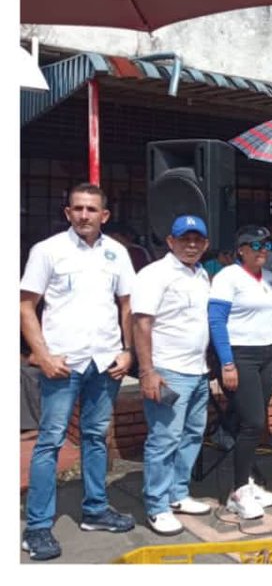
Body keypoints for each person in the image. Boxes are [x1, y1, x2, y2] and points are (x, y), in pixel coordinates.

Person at [19, 184, 136, 560]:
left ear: (105, 215)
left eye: (92, 210)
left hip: (104, 362)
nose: (84, 215)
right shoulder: (48, 251)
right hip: (63, 363)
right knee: (50, 442)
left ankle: (95, 509)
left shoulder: (117, 253)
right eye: (78, 209)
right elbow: (25, 307)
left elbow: (127, 305)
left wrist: (128, 350)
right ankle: (37, 527)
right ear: (67, 212)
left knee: (95, 437)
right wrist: (42, 354)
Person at [131, 214, 213, 536]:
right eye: (184, 239)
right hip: (168, 371)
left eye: (197, 239)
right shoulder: (155, 274)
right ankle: (157, 505)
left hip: (198, 370)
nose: (191, 244)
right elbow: (141, 323)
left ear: (205, 244)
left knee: (193, 434)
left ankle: (178, 493)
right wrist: (147, 371)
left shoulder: (202, 274)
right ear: (170, 241)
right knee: (164, 440)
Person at [207, 224, 272, 521]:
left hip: (267, 354)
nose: (262, 250)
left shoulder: (270, 278)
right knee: (253, 423)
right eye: (255, 245)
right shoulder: (228, 277)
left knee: (251, 423)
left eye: (266, 245)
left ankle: (247, 481)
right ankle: (238, 491)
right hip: (240, 356)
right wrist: (227, 363)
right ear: (241, 250)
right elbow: (216, 321)